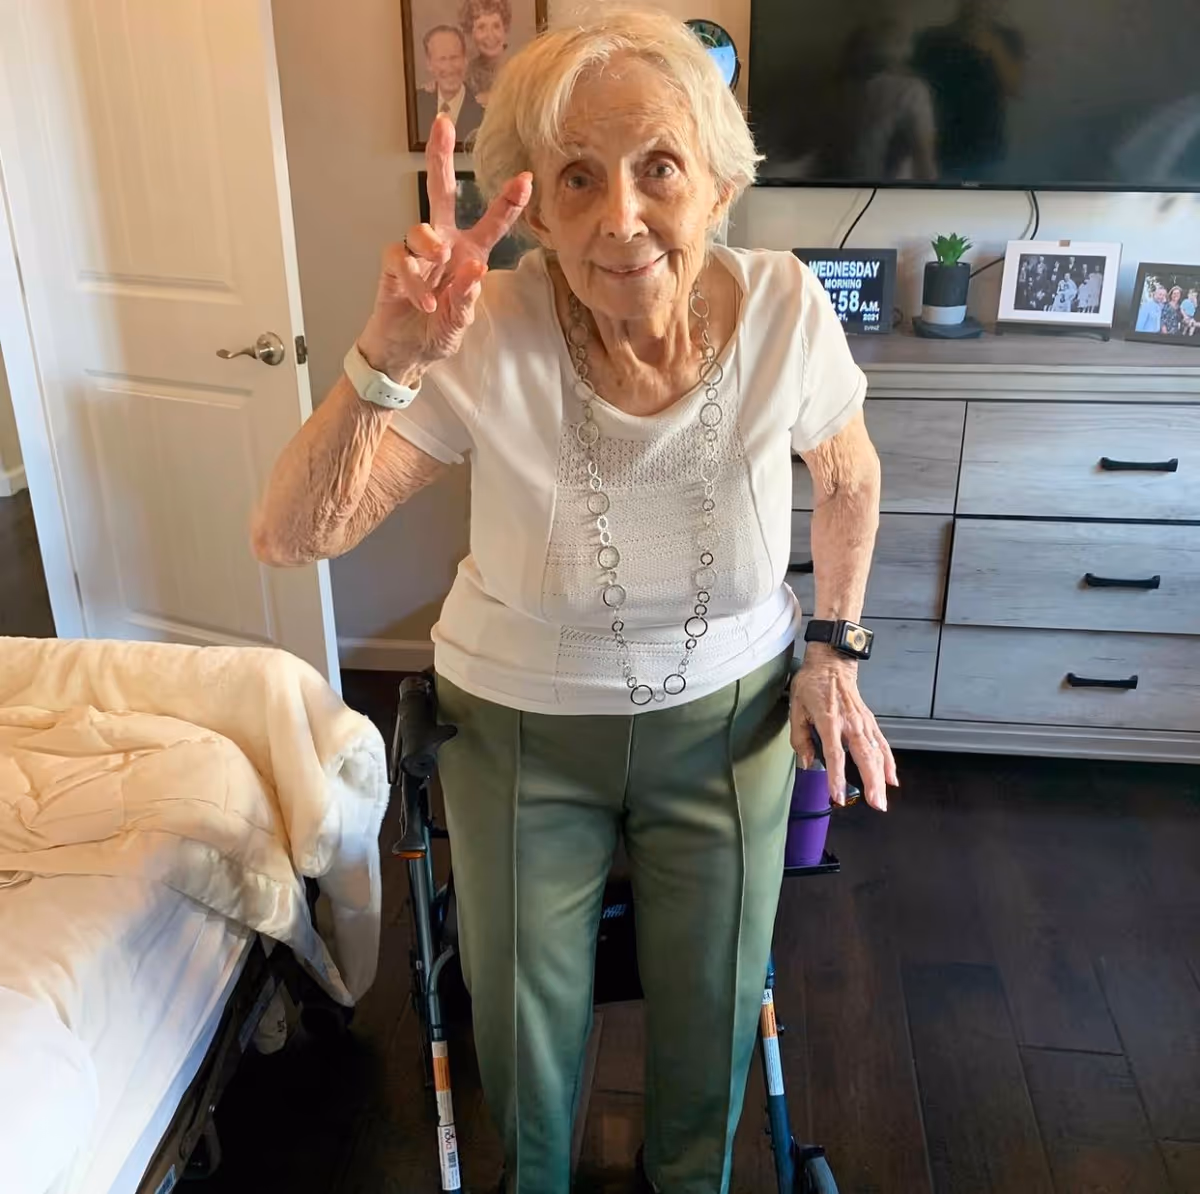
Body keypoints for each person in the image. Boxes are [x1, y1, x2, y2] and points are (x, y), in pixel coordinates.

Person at [252, 13, 894, 1193]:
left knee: (713, 1004)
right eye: (577, 180)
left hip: (732, 719)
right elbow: (291, 534)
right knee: (525, 1030)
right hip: (516, 732)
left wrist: (835, 650)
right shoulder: (483, 332)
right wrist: (384, 355)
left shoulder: (787, 311)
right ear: (534, 209)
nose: (621, 218)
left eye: (659, 167)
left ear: (718, 183)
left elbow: (848, 474)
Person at [417, 25, 485, 144]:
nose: (449, 67)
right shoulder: (416, 105)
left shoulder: (484, 110)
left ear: (465, 60)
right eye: (442, 59)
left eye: (454, 58)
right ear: (429, 64)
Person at [461, 0, 512, 107]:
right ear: (471, 33)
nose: (490, 35)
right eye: (481, 27)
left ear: (505, 29)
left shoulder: (520, 69)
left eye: (496, 26)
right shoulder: (466, 74)